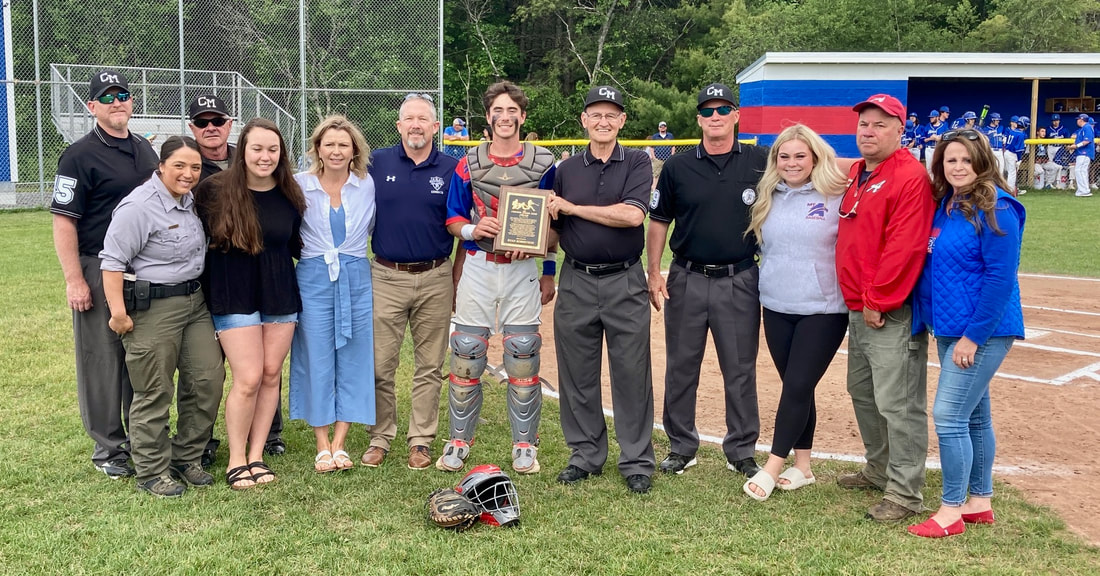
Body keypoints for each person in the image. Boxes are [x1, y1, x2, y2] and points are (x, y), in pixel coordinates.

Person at [907, 128, 1025, 538]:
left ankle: (950, 510)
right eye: (950, 160)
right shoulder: (947, 205)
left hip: (981, 331)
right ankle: (979, 501)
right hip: (949, 326)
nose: (958, 167)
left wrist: (973, 337)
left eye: (965, 160)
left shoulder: (998, 208)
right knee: (975, 416)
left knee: (949, 416)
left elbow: (1000, 279)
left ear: (982, 162)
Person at [647, 82, 766, 479]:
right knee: (682, 366)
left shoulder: (759, 160)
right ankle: (681, 446)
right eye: (707, 111)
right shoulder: (678, 166)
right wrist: (653, 271)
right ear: (698, 118)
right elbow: (659, 221)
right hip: (688, 276)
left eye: (722, 110)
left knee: (740, 367)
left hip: (740, 276)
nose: (715, 117)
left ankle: (741, 449)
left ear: (736, 115)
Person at [438, 81, 556, 475]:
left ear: (523, 117)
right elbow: (453, 217)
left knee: (523, 352)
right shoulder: (469, 162)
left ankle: (524, 445)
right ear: (488, 117)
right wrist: (475, 229)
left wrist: (548, 266)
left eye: (512, 111)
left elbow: (553, 224)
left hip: (521, 269)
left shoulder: (544, 162)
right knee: (467, 352)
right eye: (497, 112)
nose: (505, 118)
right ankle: (458, 441)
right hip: (479, 264)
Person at [98, 136, 226, 497]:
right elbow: (111, 264)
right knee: (154, 389)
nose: (188, 174)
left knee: (207, 380)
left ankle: (187, 456)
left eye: (195, 167)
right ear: (161, 166)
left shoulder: (190, 202)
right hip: (153, 308)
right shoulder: (138, 207)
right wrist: (118, 315)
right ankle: (152, 470)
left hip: (194, 302)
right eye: (180, 166)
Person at [51, 69, 158, 480]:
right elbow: (64, 221)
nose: (117, 102)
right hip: (98, 265)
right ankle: (108, 448)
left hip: (143, 266)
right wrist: (75, 279)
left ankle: (140, 437)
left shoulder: (144, 149)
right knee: (101, 359)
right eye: (107, 96)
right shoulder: (78, 155)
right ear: (92, 106)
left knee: (139, 355)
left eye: (123, 95)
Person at [548, 86, 655, 494]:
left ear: (622, 121)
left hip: (624, 279)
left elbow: (631, 216)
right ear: (584, 120)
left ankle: (636, 461)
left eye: (612, 114)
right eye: (596, 114)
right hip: (575, 278)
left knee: (631, 372)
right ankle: (586, 455)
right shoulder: (567, 169)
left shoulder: (639, 162)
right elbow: (554, 231)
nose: (604, 121)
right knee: (577, 373)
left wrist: (573, 208)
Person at [835, 94, 934, 523]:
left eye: (879, 124)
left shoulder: (909, 176)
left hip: (888, 309)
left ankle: (905, 491)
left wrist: (879, 299)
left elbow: (905, 246)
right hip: (858, 305)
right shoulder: (860, 171)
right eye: (863, 125)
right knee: (863, 392)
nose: (868, 131)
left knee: (899, 403)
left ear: (900, 129)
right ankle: (879, 469)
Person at [194, 118, 305, 489]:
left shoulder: (290, 193)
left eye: (273, 149)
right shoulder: (214, 190)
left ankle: (257, 454)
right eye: (257, 148)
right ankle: (236, 458)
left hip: (279, 293)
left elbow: (295, 246)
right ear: (242, 150)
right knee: (248, 378)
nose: (265, 156)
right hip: (233, 292)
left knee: (272, 375)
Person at [741, 125, 849, 502]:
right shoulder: (768, 196)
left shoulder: (838, 193)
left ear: (816, 157)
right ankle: (803, 467)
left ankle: (772, 465)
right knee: (798, 387)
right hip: (775, 304)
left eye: (800, 155)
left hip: (823, 308)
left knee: (798, 385)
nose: (791, 163)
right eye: (784, 156)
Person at [363, 93, 461, 470]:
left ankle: (420, 440)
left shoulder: (453, 167)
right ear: (399, 125)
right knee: (378, 364)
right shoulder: (376, 162)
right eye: (410, 119)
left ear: (436, 127)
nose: (416, 125)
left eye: (424, 119)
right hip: (386, 275)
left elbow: (462, 223)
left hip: (436, 274)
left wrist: (456, 275)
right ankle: (380, 435)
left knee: (430, 365)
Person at [289, 115, 376, 473]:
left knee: (355, 356)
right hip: (313, 276)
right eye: (330, 144)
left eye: (344, 144)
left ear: (354, 150)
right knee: (316, 355)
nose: (337, 151)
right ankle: (322, 443)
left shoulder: (366, 184)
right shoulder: (299, 185)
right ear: (318, 149)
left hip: (356, 276)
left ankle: (341, 443)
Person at [1068, 113, 1095, 197]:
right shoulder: (1083, 128)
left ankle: (1084, 191)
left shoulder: (1087, 127)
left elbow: (1087, 141)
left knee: (1080, 171)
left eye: (1078, 119)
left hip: (1085, 152)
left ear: (1081, 120)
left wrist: (1076, 146)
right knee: (1081, 171)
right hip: (1082, 153)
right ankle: (1083, 190)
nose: (1077, 121)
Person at [1003, 116, 1025, 194]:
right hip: (1012, 154)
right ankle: (1010, 190)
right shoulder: (1021, 134)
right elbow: (1018, 150)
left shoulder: (1012, 131)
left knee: (1008, 172)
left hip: (1007, 152)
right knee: (1012, 173)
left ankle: (1009, 189)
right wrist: (1019, 159)